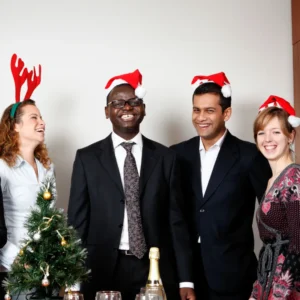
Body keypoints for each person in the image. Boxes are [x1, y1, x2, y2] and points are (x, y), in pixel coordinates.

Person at [67, 69, 195, 300]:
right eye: (118, 103)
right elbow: (77, 223)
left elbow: (177, 222)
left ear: (143, 109)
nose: (127, 107)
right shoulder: (87, 158)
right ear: (107, 112)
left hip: (154, 269)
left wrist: (186, 279)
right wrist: (72, 280)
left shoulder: (166, 158)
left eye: (134, 102)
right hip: (101, 268)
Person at [170, 72, 272, 300]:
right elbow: (173, 215)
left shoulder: (249, 156)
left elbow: (271, 215)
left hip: (234, 276)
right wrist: (183, 276)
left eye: (209, 110)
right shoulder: (177, 154)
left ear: (227, 113)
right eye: (196, 110)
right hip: (186, 277)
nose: (201, 117)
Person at [0, 54, 54, 300]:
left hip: (48, 269)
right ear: (15, 126)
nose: (42, 122)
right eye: (34, 117)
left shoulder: (47, 167)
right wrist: (17, 261)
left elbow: (52, 220)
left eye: (41, 117)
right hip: (16, 271)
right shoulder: (2, 167)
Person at [250, 95, 300, 300]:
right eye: (261, 133)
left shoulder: (294, 177)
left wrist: (280, 293)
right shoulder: (272, 180)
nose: (267, 139)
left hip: (287, 283)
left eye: (276, 132)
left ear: (291, 136)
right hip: (268, 276)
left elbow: (298, 241)